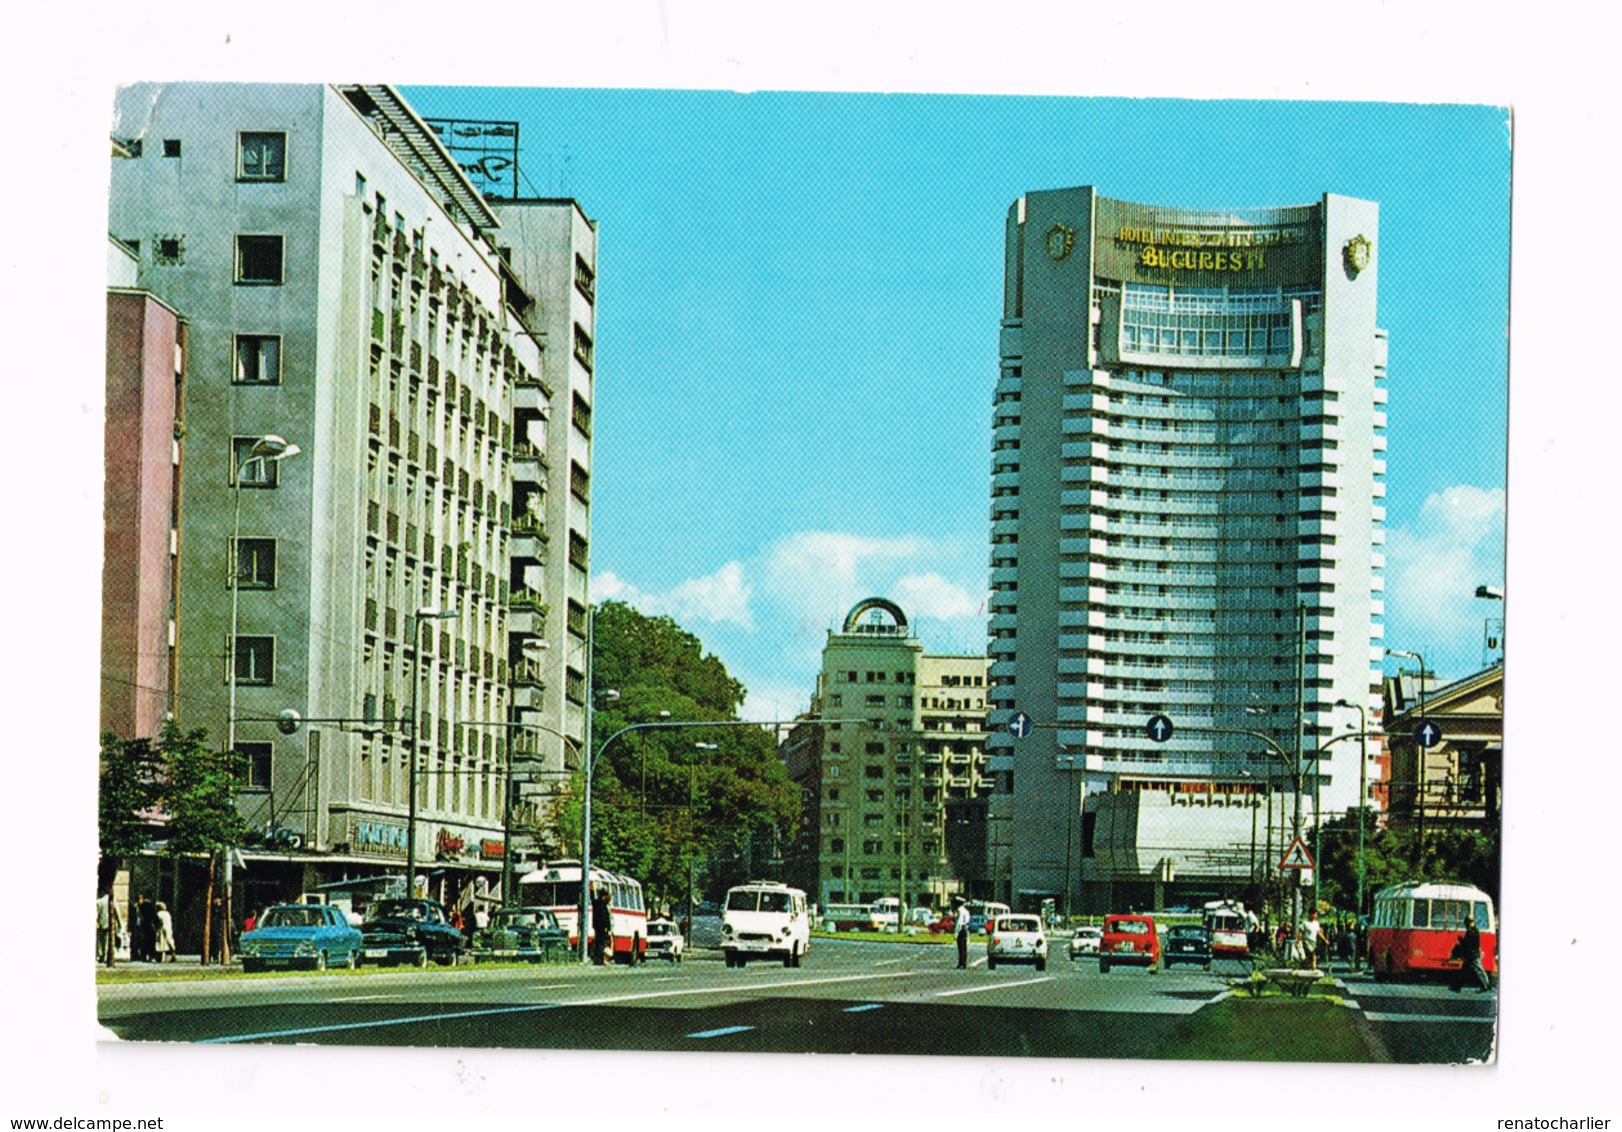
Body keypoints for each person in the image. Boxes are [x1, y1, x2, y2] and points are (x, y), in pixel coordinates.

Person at [1451, 918, 1491, 992]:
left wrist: (1461, 940)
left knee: (1478, 970)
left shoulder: (1471, 932)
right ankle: (1456, 987)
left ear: (1469, 923)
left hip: (1472, 955)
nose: (1466, 925)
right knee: (1464, 971)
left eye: (1466, 923)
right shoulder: (1474, 931)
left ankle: (1486, 985)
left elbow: (1467, 944)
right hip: (1471, 955)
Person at [590, 886, 613, 966]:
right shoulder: (602, 905)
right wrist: (608, 928)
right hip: (603, 928)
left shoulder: (596, 903)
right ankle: (601, 960)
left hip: (596, 926)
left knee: (598, 943)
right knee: (602, 944)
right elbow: (605, 918)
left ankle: (597, 959)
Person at [954, 900, 972, 969]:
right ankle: (963, 962)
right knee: (964, 947)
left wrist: (956, 932)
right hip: (965, 929)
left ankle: (961, 963)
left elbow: (959, 922)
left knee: (960, 947)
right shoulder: (966, 911)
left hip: (961, 930)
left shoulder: (960, 911)